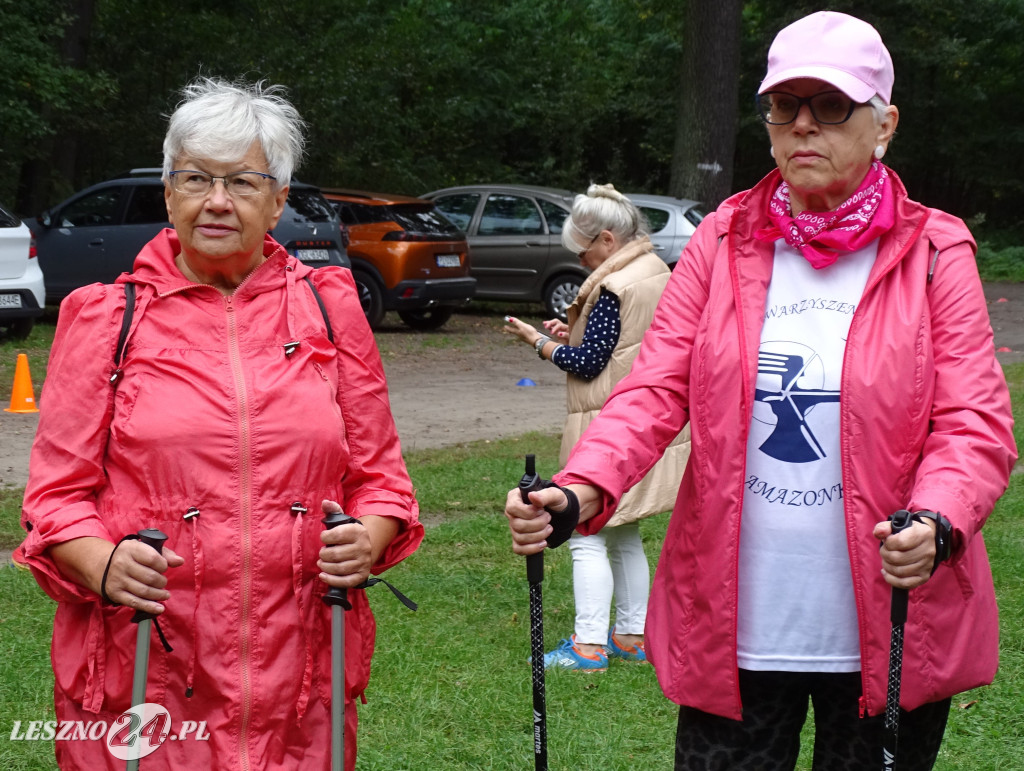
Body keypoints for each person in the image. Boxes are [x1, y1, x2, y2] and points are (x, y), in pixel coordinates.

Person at [504, 12, 1016, 770]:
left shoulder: (936, 249)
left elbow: (974, 419)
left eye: (831, 105)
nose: (804, 124)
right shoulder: (720, 240)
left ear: (884, 124)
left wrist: (938, 521)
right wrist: (581, 488)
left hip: (889, 611)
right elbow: (653, 390)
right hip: (737, 626)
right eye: (786, 106)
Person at [14, 77, 423, 771]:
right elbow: (54, 500)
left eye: (242, 182)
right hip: (148, 667)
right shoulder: (107, 317)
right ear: (169, 192)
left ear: (279, 199)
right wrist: (103, 561)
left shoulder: (330, 308)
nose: (217, 201)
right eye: (196, 178)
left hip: (298, 677)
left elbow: (382, 480)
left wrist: (369, 537)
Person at [502, 184, 689, 670]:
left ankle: (588, 646)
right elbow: (628, 338)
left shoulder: (612, 285)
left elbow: (588, 363)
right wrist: (575, 330)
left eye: (583, 252)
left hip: (609, 423)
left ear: (607, 240)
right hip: (643, 422)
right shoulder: (655, 271)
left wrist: (540, 343)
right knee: (625, 533)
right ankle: (631, 635)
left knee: (585, 531)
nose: (581, 261)